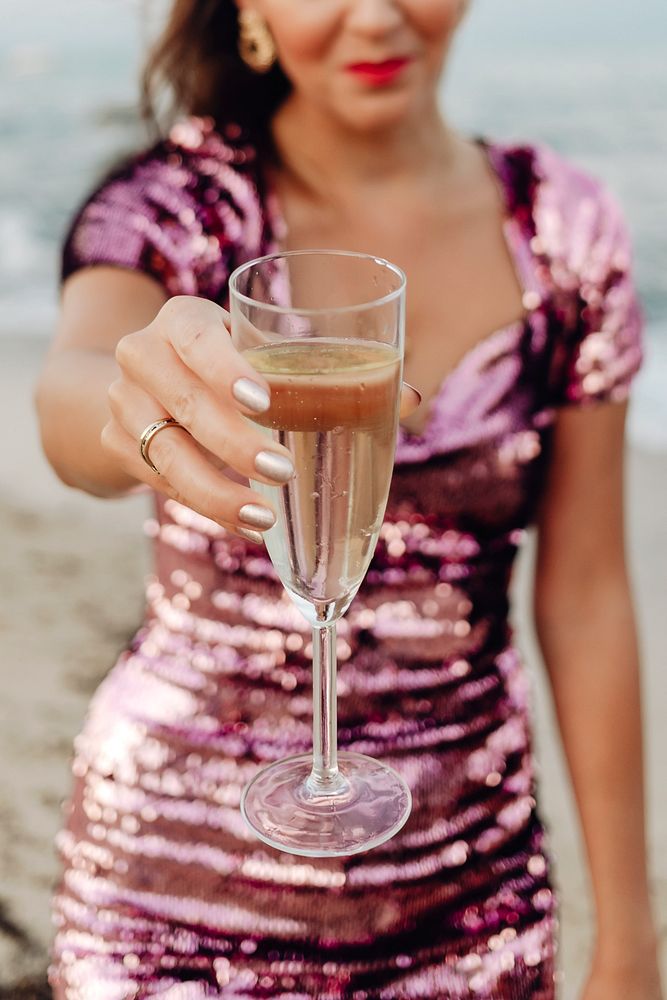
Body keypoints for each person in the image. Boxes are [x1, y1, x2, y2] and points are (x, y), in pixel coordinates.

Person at [35, 0, 663, 996]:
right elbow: (72, 396)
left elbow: (585, 597)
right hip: (176, 902)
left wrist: (631, 941)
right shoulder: (180, 211)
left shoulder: (560, 234)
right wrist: (131, 397)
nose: (374, 17)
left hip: (472, 896)